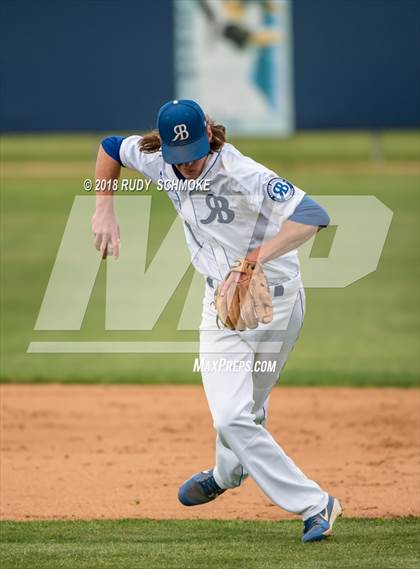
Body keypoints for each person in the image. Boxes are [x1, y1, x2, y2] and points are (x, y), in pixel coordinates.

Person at [91, 99, 342, 543]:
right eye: (177, 158)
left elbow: (314, 216)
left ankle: (226, 475)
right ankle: (314, 504)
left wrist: (251, 261)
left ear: (209, 137)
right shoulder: (160, 160)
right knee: (231, 417)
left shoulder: (245, 173)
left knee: (247, 414)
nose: (185, 167)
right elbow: (111, 147)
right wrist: (104, 206)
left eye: (193, 157)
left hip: (275, 305)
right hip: (220, 305)